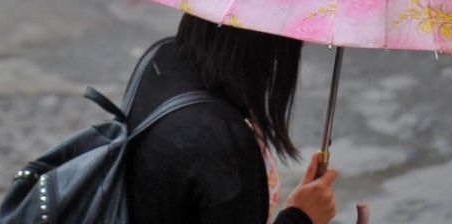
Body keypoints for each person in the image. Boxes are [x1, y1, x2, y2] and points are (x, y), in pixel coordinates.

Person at [125, 13, 338, 224]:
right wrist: (301, 217)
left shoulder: (162, 58)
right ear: (263, 40)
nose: (301, 44)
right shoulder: (221, 143)